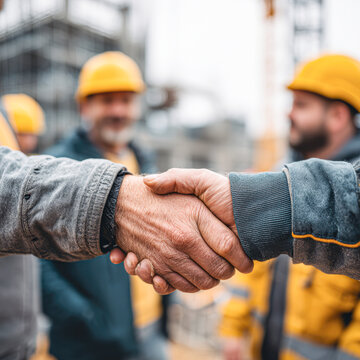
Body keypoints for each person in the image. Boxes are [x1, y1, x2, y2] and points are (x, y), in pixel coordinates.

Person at [219, 54, 360, 360]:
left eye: (301, 105)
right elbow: (251, 267)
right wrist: (233, 328)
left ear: (337, 116)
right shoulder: (282, 181)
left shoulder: (356, 200)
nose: (289, 114)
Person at [41, 51, 168, 360]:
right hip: (89, 344)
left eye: (126, 100)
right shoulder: (58, 166)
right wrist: (82, 315)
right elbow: (35, 257)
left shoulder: (145, 162)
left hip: (149, 329)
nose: (118, 110)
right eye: (107, 100)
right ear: (84, 106)